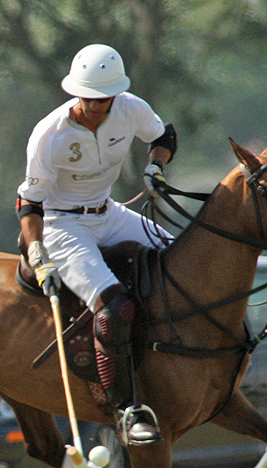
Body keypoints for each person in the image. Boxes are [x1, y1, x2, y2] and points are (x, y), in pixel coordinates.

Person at [16, 43, 178, 445]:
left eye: (101, 99)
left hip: (108, 212)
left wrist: (155, 165)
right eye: (86, 97)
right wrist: (38, 253)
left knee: (179, 263)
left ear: (115, 94)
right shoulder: (49, 134)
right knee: (114, 309)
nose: (92, 105)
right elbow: (29, 203)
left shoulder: (131, 109)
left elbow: (164, 135)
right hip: (62, 225)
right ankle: (126, 410)